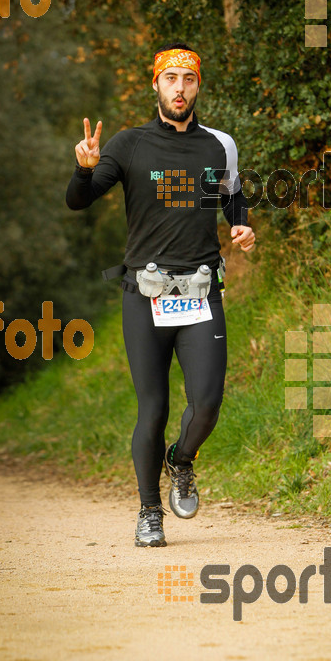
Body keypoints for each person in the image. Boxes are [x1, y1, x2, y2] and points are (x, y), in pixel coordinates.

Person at [66, 42, 255, 547]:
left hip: (200, 292)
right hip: (143, 295)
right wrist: (85, 167)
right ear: (155, 85)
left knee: (208, 404)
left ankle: (182, 460)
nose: (179, 88)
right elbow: (78, 201)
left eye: (188, 79)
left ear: (198, 86)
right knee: (153, 409)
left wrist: (241, 227)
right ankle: (150, 510)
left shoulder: (220, 145)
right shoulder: (128, 145)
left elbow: (232, 196)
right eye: (170, 79)